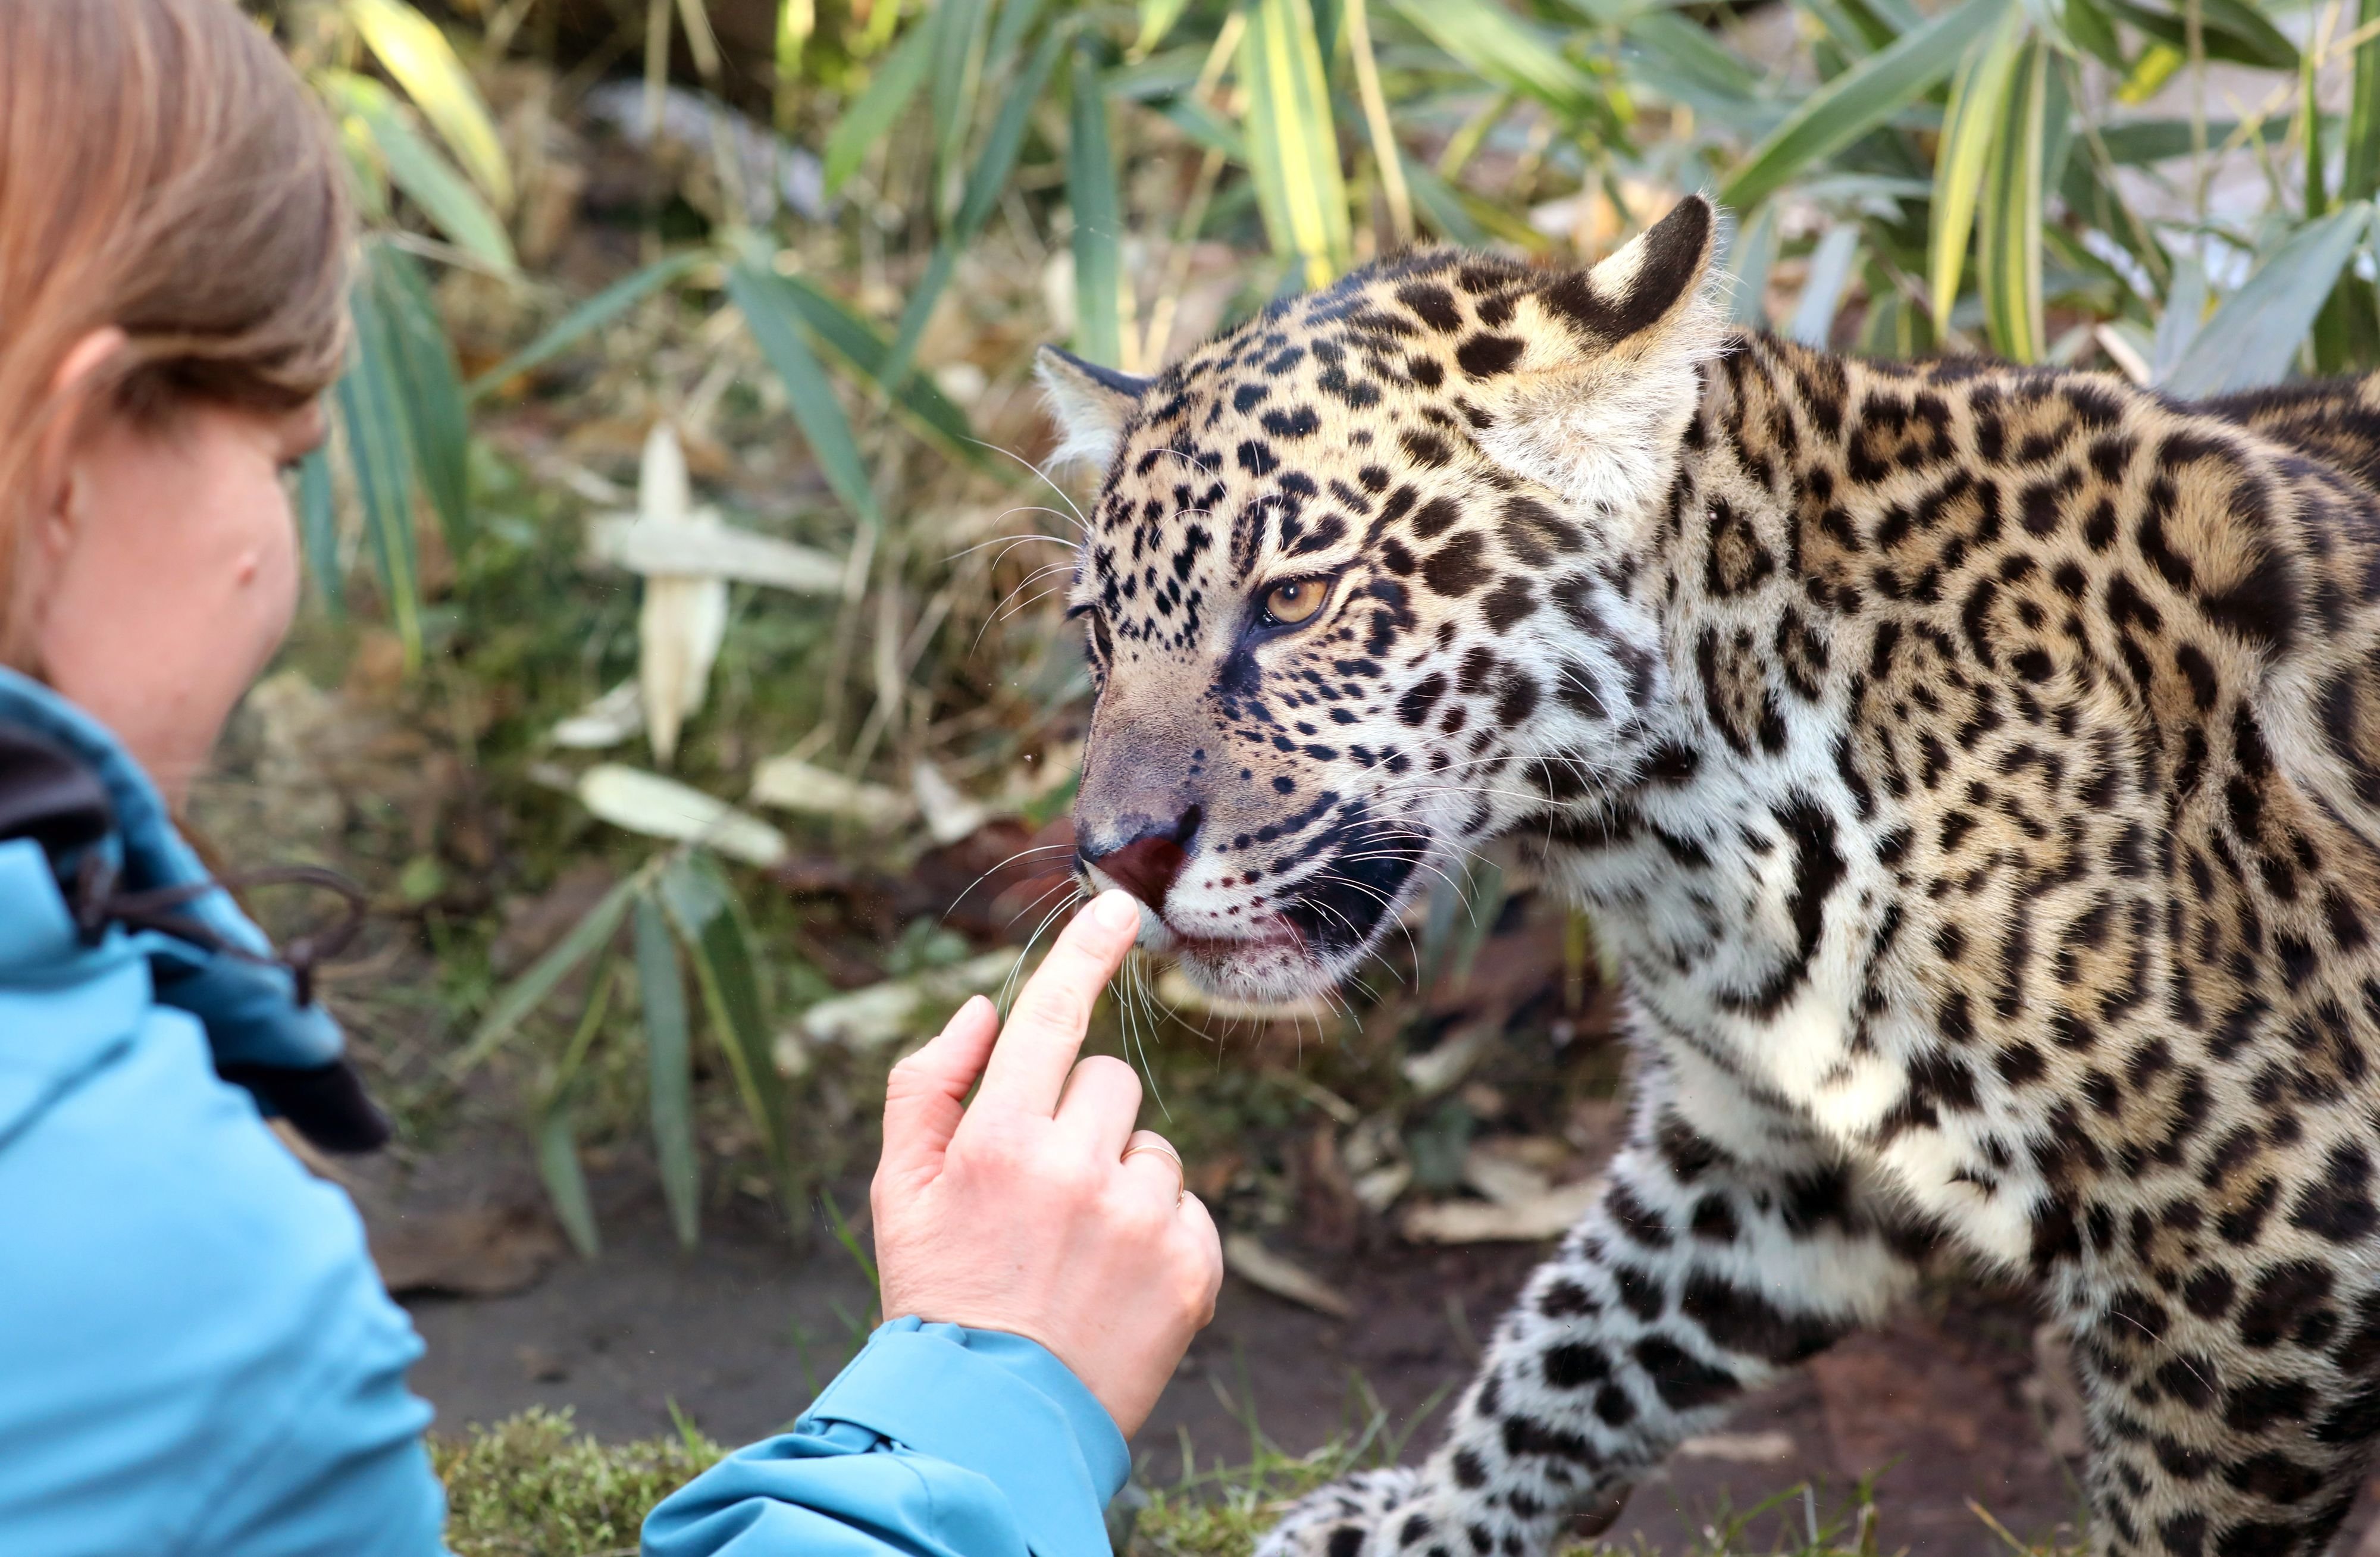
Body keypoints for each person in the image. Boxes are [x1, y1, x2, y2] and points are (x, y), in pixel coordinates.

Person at [0, 3, 1223, 1555]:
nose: (291, 565)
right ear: (80, 448)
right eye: (293, 456)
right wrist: (993, 1386)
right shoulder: (159, 1273)